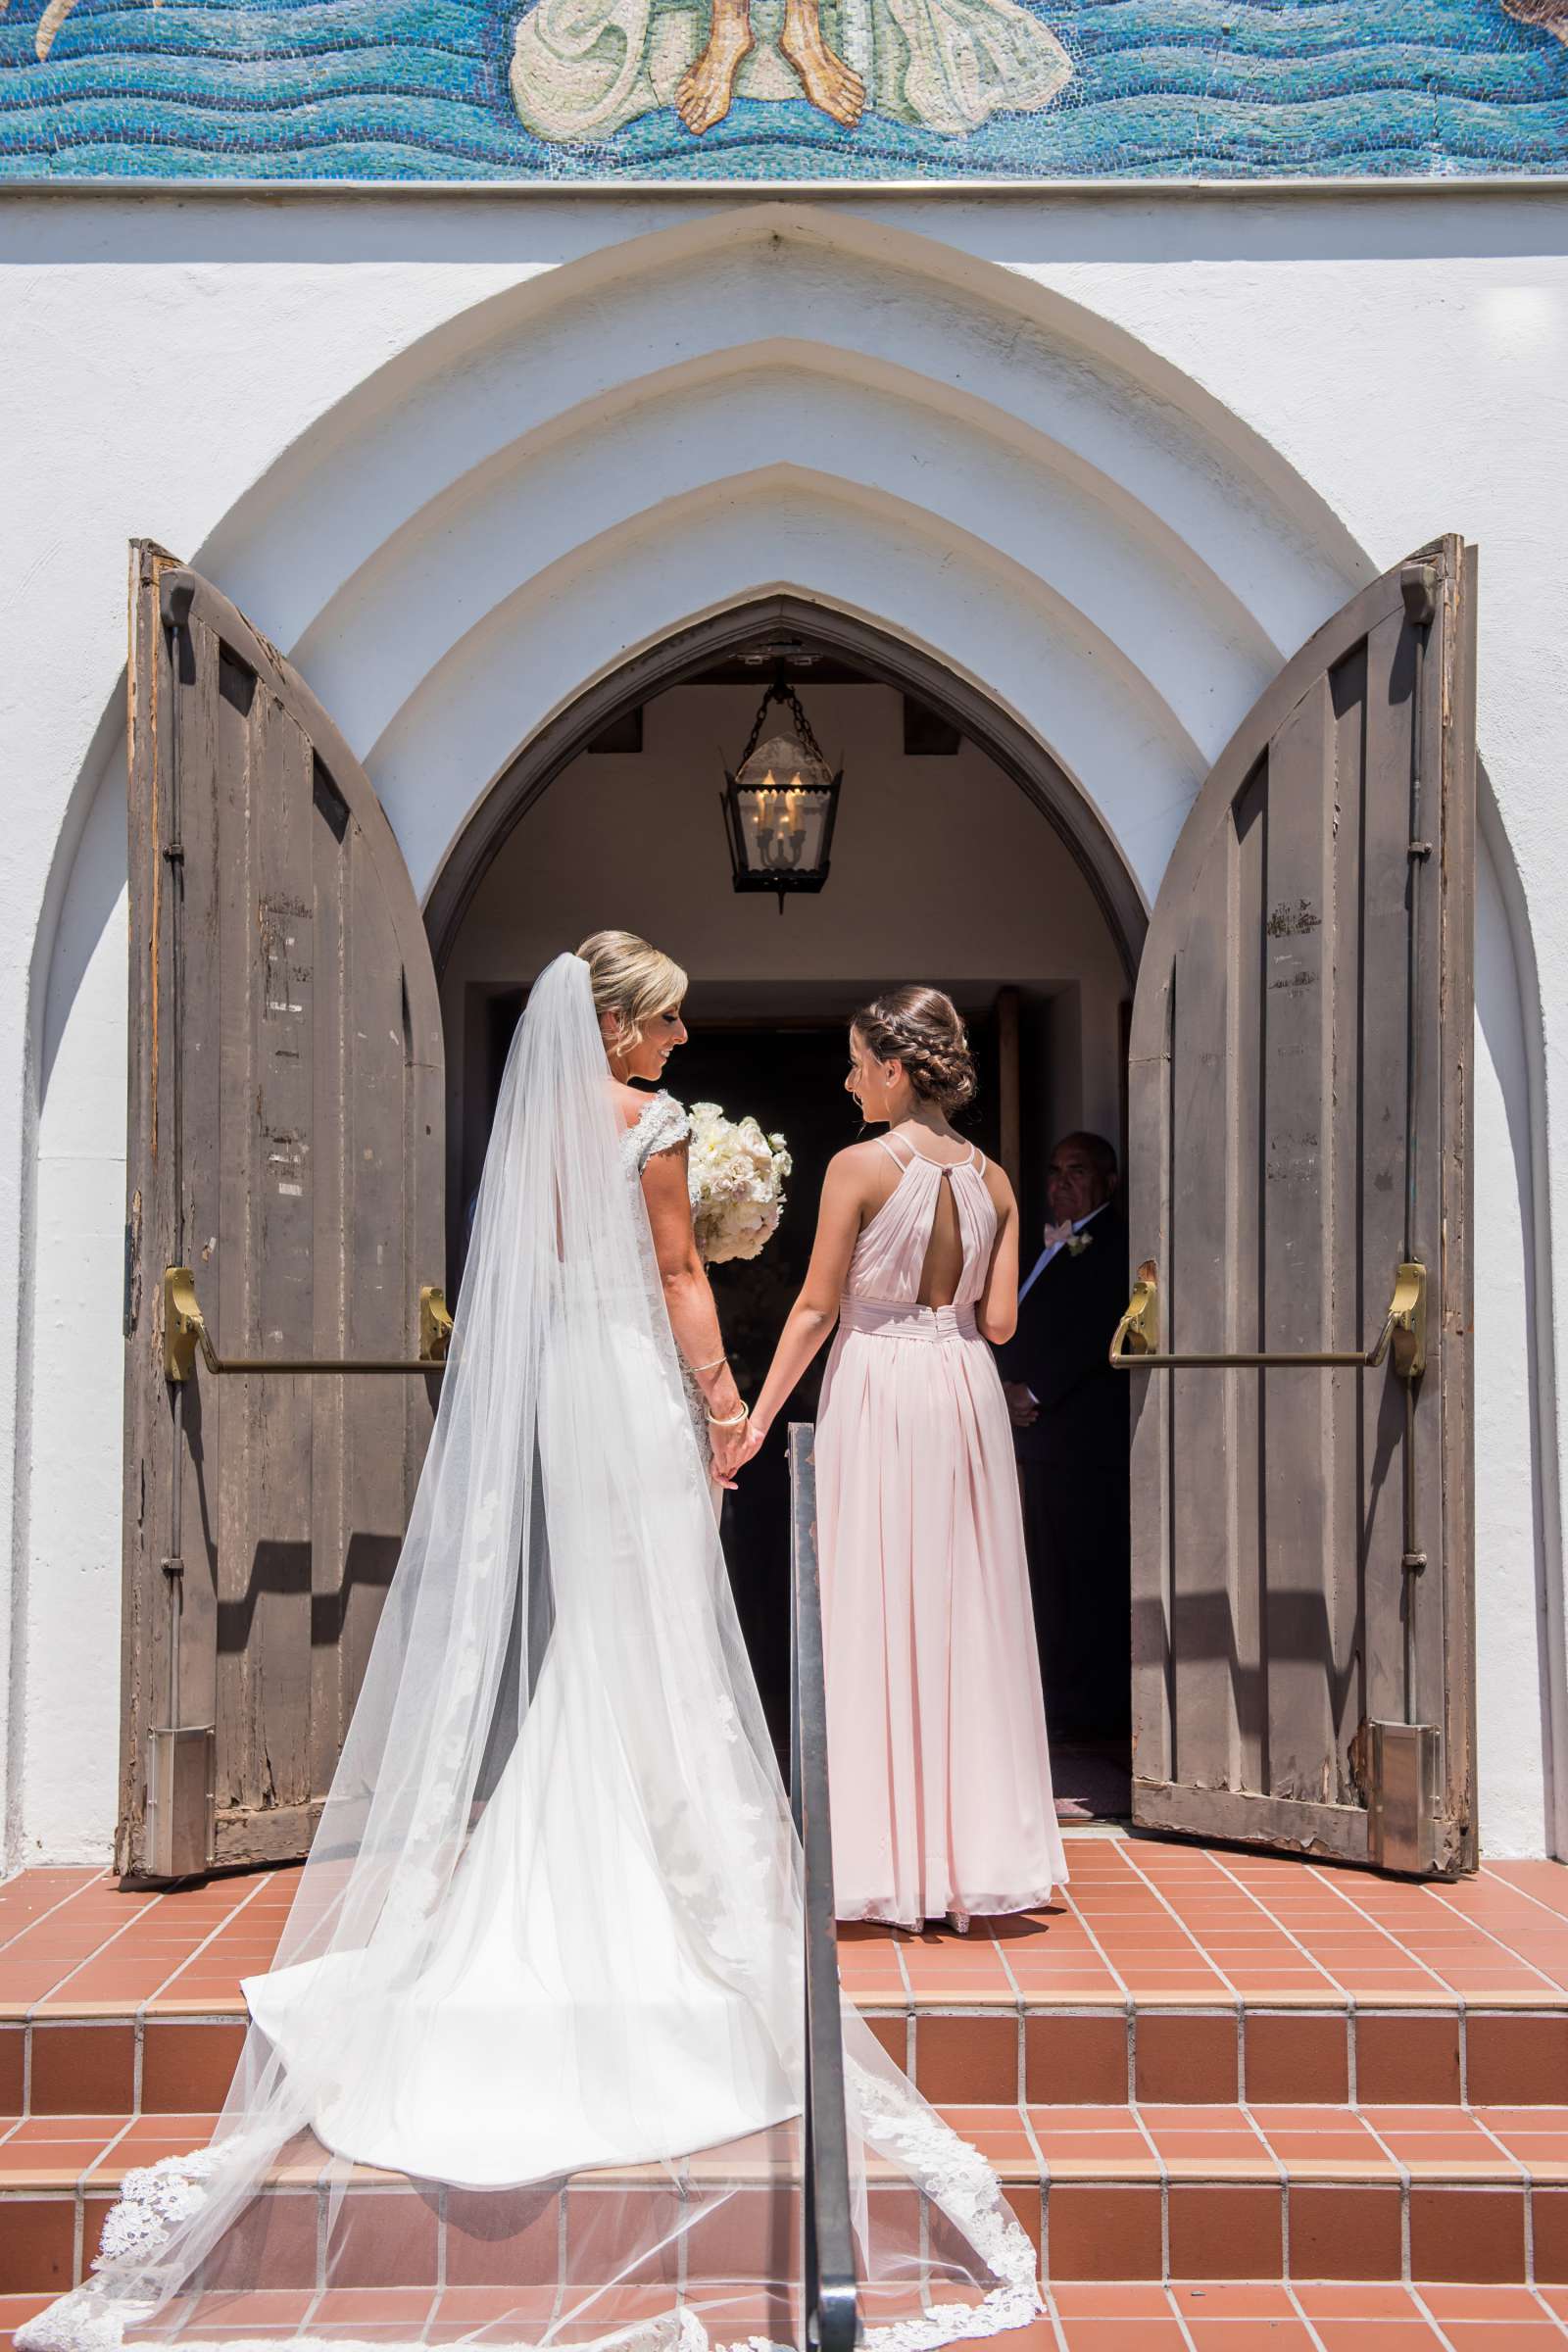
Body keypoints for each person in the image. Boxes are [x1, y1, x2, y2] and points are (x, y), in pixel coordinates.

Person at [23, 937, 1040, 2352]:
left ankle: (578, 1838)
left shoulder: (537, 1127)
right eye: (670, 1023)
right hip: (626, 1377)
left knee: (595, 1630)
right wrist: (723, 1401)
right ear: (619, 1029)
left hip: (565, 1373)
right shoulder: (654, 1126)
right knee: (662, 1622)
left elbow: (562, 1262)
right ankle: (660, 1858)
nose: (685, 1045)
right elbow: (683, 1274)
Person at [741, 986, 1066, 1932]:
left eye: (854, 1062)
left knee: (875, 1599)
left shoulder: (858, 1167)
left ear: (893, 1067)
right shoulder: (997, 1180)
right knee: (966, 1605)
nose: (847, 1081)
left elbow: (814, 1308)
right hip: (963, 1385)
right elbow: (1000, 1322)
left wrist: (758, 1418)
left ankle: (880, 1855)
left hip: (880, 1382)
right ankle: (970, 1859)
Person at [996, 1131, 1131, 1744]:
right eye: (1054, 1170)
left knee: (1082, 1575)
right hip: (1038, 1444)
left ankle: (1089, 1712)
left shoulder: (1111, 1245)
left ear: (1108, 1179)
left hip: (1078, 1441)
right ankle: (1059, 1702)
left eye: (1077, 1170)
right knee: (1046, 1574)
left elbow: (1100, 1323)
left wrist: (1035, 1391)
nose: (1060, 1182)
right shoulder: (1049, 1243)